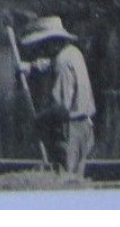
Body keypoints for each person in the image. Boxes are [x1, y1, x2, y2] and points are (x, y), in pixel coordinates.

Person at [17, 15, 96, 177]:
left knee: (65, 178)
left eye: (42, 45)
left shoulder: (61, 62)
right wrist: (31, 67)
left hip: (69, 131)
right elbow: (49, 63)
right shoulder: (73, 52)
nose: (40, 50)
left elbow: (60, 108)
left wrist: (38, 121)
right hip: (85, 127)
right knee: (76, 176)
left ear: (52, 42)